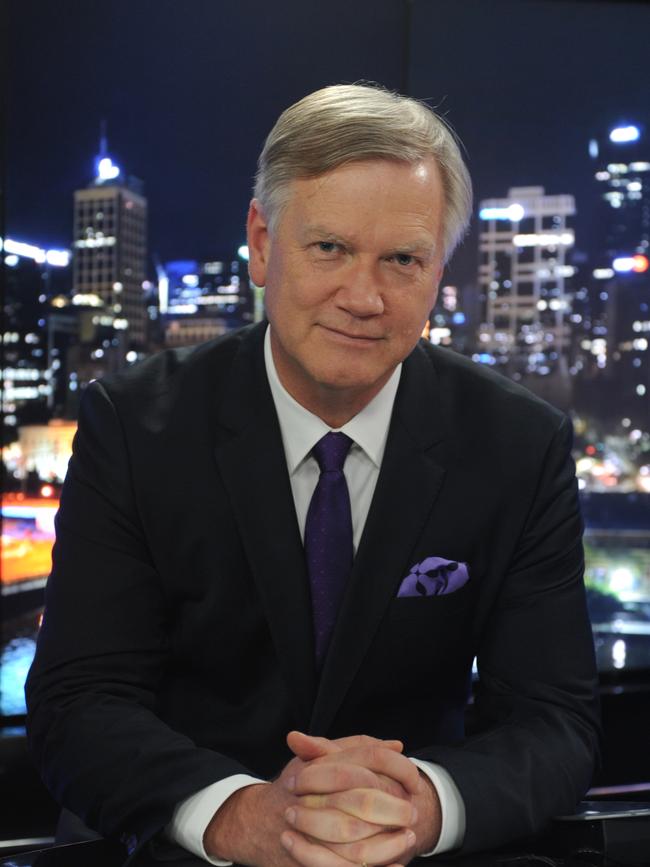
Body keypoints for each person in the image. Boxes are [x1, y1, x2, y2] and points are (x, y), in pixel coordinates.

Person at [26, 83, 600, 867]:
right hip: (179, 850)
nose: (363, 297)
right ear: (262, 243)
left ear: (440, 271)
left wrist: (420, 805)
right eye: (329, 247)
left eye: (402, 259)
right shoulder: (132, 426)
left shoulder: (519, 443)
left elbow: (556, 719)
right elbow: (77, 704)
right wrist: (240, 814)